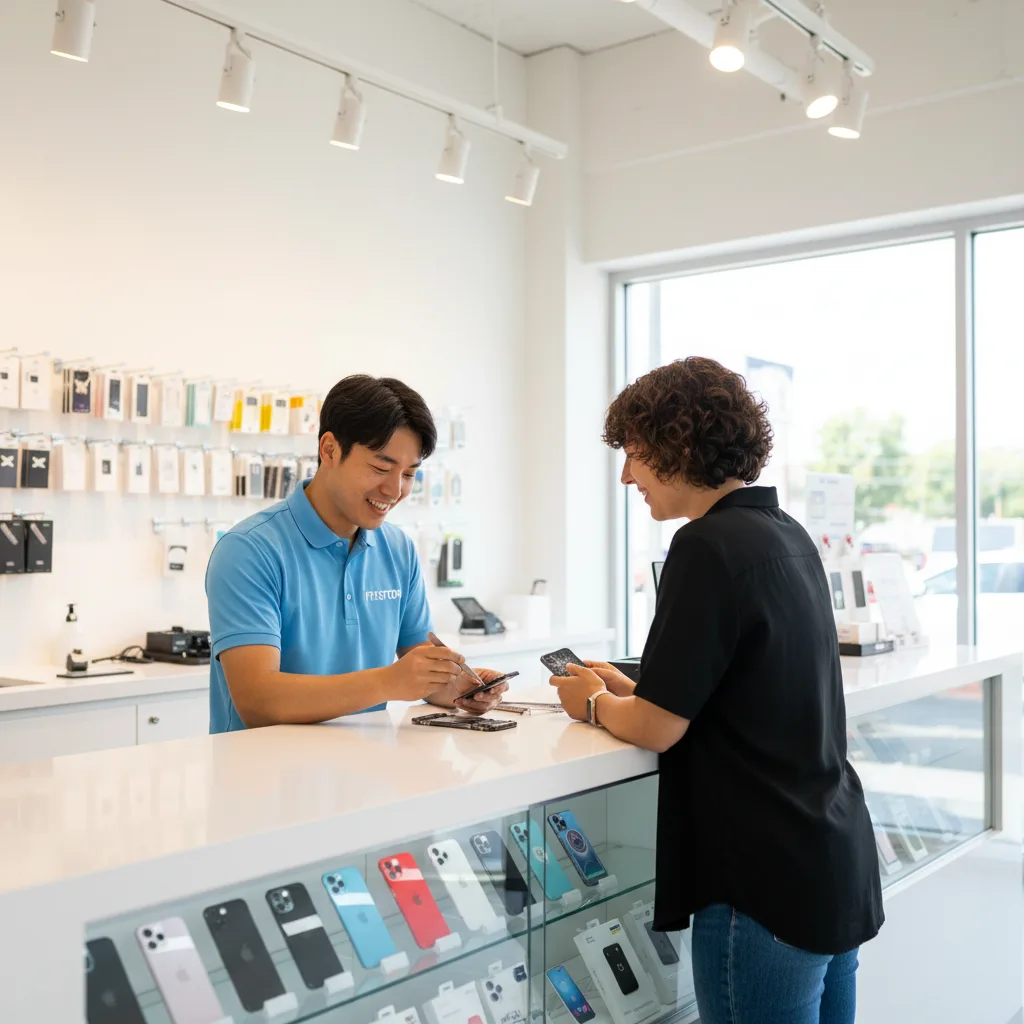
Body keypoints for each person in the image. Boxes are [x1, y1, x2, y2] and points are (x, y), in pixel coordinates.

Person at [550, 357, 883, 1024]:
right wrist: (633, 685)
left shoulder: (704, 547)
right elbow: (747, 678)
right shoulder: (785, 535)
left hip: (761, 886)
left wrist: (590, 701)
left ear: (674, 444)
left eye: (634, 454)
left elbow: (656, 729)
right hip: (831, 862)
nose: (626, 476)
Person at [206, 374, 507, 733]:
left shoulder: (397, 549)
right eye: (381, 468)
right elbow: (258, 701)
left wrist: (459, 687)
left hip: (366, 774)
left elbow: (415, 666)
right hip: (265, 778)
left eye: (409, 474)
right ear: (330, 450)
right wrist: (388, 682)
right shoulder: (249, 550)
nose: (395, 490)